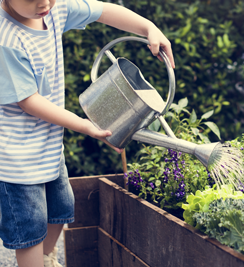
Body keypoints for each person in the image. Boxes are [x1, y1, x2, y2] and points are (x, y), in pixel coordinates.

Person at [0, 0, 175, 266]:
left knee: (61, 208)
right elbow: (29, 102)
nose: (45, 2)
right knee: (30, 230)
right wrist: (84, 125)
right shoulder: (7, 39)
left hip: (48, 147)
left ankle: (47, 259)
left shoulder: (54, 10)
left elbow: (103, 11)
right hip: (17, 160)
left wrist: (148, 27)